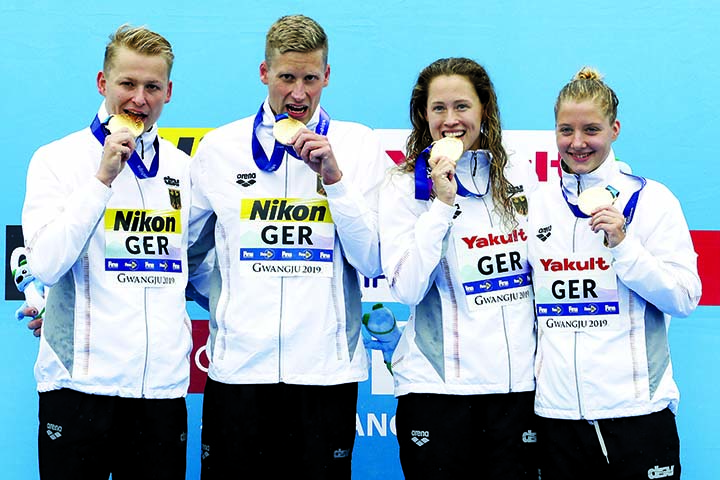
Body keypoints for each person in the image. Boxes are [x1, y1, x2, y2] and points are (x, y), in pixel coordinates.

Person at [187, 14, 391, 479]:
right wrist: (230, 306)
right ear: (264, 73)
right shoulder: (219, 148)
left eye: (310, 78)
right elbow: (183, 254)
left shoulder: (358, 145)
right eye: (286, 77)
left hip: (324, 373)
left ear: (327, 76)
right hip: (238, 371)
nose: (298, 94)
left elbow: (373, 260)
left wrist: (335, 182)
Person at [21, 24, 192, 480]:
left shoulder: (182, 168)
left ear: (168, 92)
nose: (139, 99)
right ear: (103, 83)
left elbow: (202, 266)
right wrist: (101, 181)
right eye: (128, 84)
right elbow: (46, 263)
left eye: (152, 86)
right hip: (79, 387)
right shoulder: (56, 159)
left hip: (161, 392)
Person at [527, 67, 701, 480]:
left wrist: (623, 244)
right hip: (557, 416)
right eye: (565, 130)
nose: (578, 142)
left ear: (615, 129)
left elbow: (684, 297)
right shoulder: (535, 203)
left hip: (636, 413)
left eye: (591, 129)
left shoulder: (653, 199)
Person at [378, 57, 539, 479]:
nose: (451, 120)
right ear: (422, 115)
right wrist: (441, 204)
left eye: (462, 106)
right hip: (437, 390)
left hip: (516, 390)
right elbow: (408, 289)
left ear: (484, 109)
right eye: (438, 108)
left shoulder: (521, 174)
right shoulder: (402, 185)